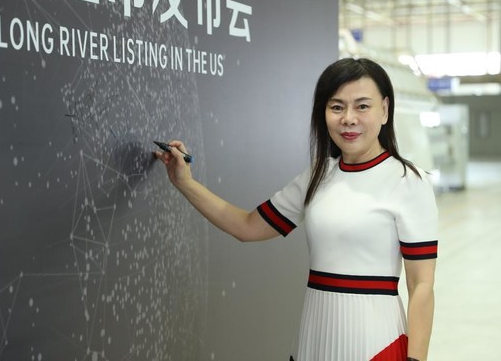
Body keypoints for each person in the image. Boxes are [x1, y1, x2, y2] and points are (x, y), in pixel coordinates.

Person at [155, 57, 438, 361]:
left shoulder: (410, 182)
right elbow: (246, 226)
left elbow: (421, 285)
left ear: (384, 109)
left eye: (362, 106)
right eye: (337, 107)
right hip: (311, 341)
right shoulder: (318, 175)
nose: (348, 118)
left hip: (377, 343)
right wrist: (184, 182)